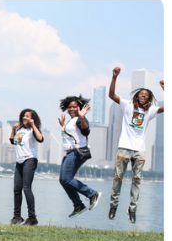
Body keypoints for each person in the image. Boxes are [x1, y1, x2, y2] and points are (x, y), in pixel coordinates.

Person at [108, 67, 164, 224]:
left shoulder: (150, 111)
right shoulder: (127, 105)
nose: (143, 96)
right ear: (137, 96)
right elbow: (111, 95)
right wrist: (114, 77)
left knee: (137, 179)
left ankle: (132, 209)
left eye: (146, 95)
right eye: (141, 94)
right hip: (124, 147)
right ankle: (113, 206)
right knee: (118, 178)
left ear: (149, 98)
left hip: (140, 150)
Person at [58, 95, 102, 218]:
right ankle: (78, 205)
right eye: (69, 107)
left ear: (80, 108)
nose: (71, 109)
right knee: (63, 180)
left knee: (67, 179)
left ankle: (92, 194)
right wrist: (63, 126)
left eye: (74, 107)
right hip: (69, 153)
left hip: (76, 152)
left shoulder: (80, 119)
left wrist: (82, 117)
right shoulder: (71, 121)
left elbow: (85, 131)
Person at [10, 109, 43, 225]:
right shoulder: (20, 130)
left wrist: (33, 125)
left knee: (26, 188)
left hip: (29, 160)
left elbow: (40, 139)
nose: (25, 118)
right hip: (19, 161)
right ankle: (17, 216)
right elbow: (12, 141)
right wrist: (13, 129)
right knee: (16, 189)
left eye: (28, 116)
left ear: (32, 118)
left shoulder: (32, 130)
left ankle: (32, 217)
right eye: (24, 116)